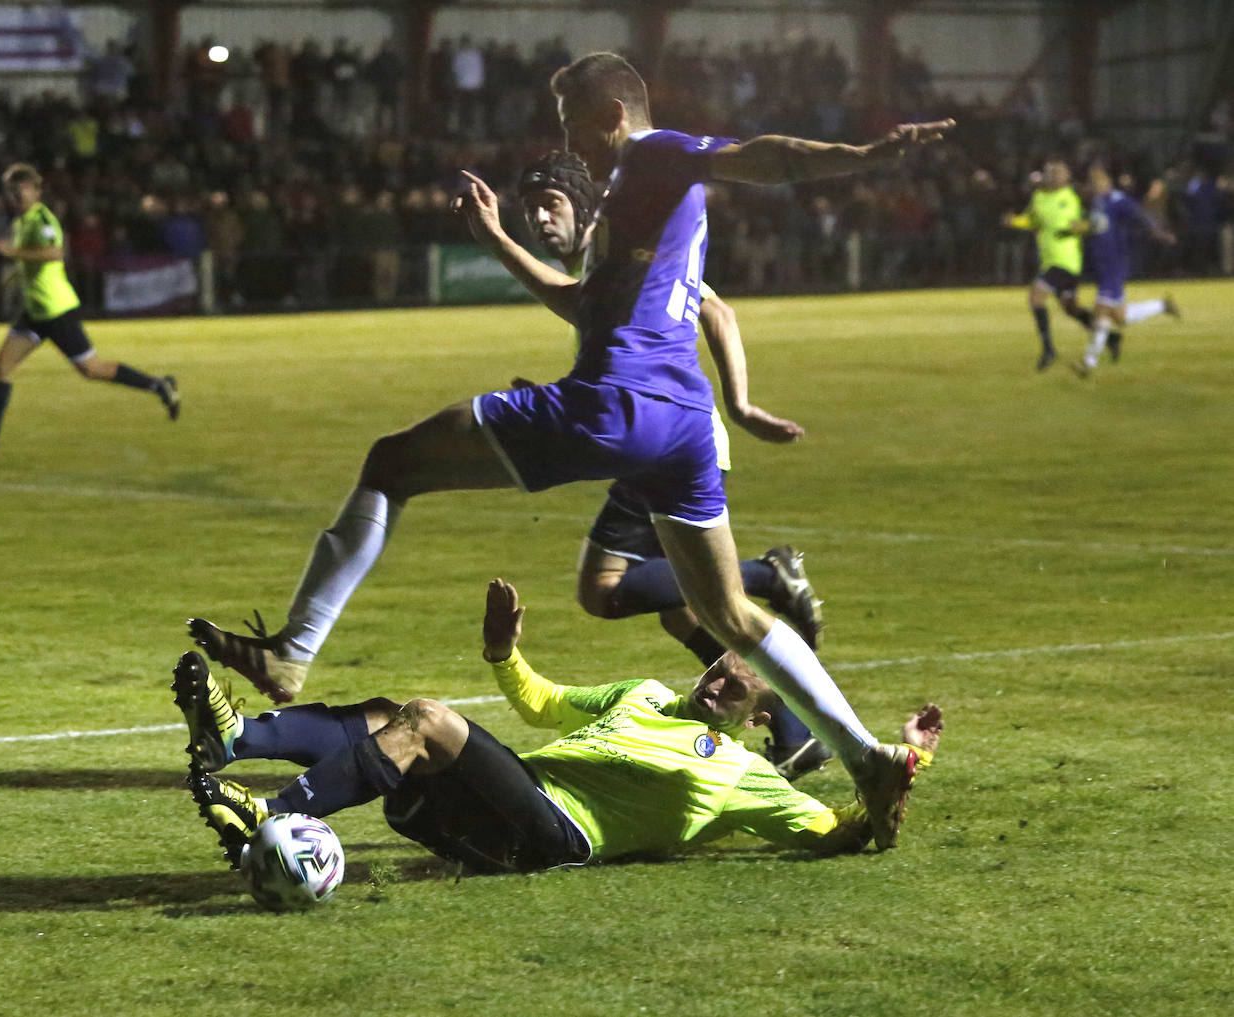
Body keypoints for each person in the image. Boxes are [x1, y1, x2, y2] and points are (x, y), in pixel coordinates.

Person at [188, 51, 952, 849]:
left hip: (614, 403)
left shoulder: (655, 155)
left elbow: (761, 155)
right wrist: (494, 241)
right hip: (682, 423)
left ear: (612, 115)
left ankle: (290, 656)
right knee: (731, 614)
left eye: (573, 128)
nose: (571, 147)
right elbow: (585, 303)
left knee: (391, 462)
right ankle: (865, 754)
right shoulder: (640, 205)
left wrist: (863, 156)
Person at [178, 579, 944, 874]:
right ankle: (237, 738)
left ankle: (271, 815)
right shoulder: (645, 693)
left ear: (764, 709)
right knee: (387, 713)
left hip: (552, 837)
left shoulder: (749, 779)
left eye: (740, 678)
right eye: (719, 664)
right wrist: (504, 653)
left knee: (426, 722)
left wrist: (907, 759)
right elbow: (542, 704)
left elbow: (848, 830)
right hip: (511, 798)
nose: (719, 676)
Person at [514, 149, 827, 778]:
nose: (540, 221)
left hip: (671, 439)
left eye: (551, 205)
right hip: (662, 434)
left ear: (583, 205)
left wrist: (739, 403)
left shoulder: (624, 248)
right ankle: (797, 732)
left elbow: (716, 309)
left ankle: (767, 574)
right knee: (690, 612)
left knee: (603, 593)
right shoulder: (600, 267)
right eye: (530, 211)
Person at [0, 163, 179, 455]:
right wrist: (11, 277)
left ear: (36, 191)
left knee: (92, 369)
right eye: (12, 191)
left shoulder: (42, 219)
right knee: (2, 365)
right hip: (35, 312)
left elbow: (54, 253)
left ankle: (158, 385)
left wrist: (12, 252)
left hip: (57, 310)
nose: (16, 196)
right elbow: (29, 260)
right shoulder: (21, 222)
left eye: (22, 189)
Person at [1070, 161, 1180, 378]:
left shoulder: (1118, 200)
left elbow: (1139, 216)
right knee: (1120, 317)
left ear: (1108, 181)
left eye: (1098, 180)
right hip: (1103, 266)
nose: (1094, 185)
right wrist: (1078, 228)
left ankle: (1088, 364)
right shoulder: (1097, 202)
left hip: (1115, 265)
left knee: (1100, 312)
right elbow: (1097, 226)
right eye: (1092, 181)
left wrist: (1158, 232)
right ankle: (1162, 305)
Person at [1001, 160, 1095, 372]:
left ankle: (1048, 349)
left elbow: (1086, 222)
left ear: (1065, 177)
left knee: (1036, 297)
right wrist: (1014, 221)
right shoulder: (1039, 198)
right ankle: (1108, 336)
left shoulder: (1072, 197)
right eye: (1049, 173)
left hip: (1066, 260)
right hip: (1049, 259)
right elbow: (1032, 221)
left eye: (1056, 173)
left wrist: (1080, 227)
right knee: (1071, 308)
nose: (1052, 176)